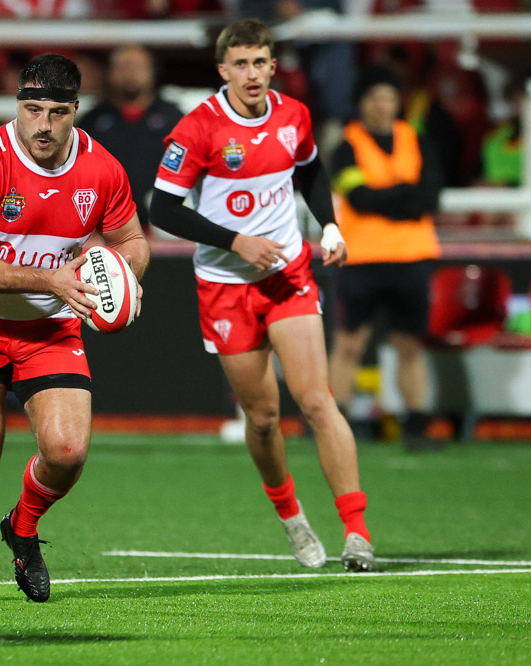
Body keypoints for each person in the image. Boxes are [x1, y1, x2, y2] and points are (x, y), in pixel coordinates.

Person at [0, 54, 149, 604]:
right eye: (31, 110)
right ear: (17, 107)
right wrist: (51, 279)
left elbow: (133, 241)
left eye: (56, 112)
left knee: (68, 451)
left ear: (76, 111)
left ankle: (21, 527)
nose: (42, 125)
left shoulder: (102, 169)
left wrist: (126, 279)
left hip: (49, 325)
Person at [148, 19, 375, 572]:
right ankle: (293, 518)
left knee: (317, 400)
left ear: (273, 66)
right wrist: (236, 241)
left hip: (286, 275)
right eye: (241, 64)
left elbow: (312, 170)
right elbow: (162, 209)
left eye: (260, 62)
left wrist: (331, 227)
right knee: (265, 416)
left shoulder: (293, 114)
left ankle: (357, 533)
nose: (252, 74)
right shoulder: (198, 129)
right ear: (223, 70)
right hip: (226, 286)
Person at [327, 65, 442, 449]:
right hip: (361, 259)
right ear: (362, 102)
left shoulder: (418, 141)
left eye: (389, 97)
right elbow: (358, 197)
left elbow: (430, 197)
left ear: (398, 102)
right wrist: (404, 195)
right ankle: (331, 422)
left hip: (411, 258)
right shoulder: (346, 146)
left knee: (409, 345)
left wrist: (386, 197)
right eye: (375, 97)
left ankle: (417, 424)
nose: (382, 105)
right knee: (349, 344)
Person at [77, 45, 183, 229]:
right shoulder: (90, 122)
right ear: (110, 72)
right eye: (124, 66)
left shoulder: (174, 119)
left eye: (138, 67)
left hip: (164, 228)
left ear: (153, 72)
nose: (131, 73)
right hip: (105, 228)